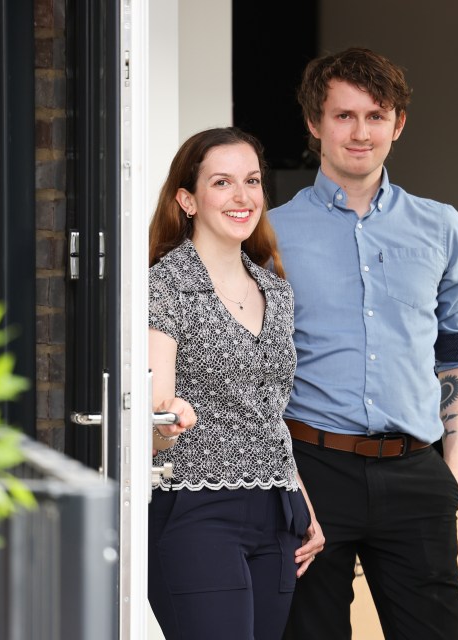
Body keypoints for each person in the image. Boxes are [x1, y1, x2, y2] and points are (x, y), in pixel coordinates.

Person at [269, 48, 458, 640]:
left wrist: (453, 471)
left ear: (398, 124)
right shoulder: (270, 232)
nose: (360, 133)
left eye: (375, 115)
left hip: (418, 472)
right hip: (311, 470)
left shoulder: (441, 226)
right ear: (314, 125)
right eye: (343, 116)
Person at [147, 127, 325, 640]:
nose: (242, 196)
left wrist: (304, 504)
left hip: (278, 511)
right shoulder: (165, 286)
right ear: (188, 200)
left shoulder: (275, 288)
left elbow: (270, 414)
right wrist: (168, 420)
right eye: (221, 182)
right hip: (197, 509)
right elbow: (158, 409)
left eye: (251, 181)